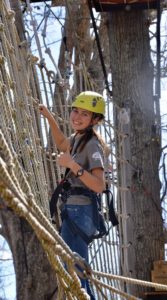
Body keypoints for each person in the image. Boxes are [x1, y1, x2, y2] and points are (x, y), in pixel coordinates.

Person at [39, 91, 107, 299]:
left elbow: (99, 185)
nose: (77, 117)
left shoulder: (92, 145)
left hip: (81, 210)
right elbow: (62, 144)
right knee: (72, 271)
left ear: (95, 120)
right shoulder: (78, 139)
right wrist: (50, 118)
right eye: (75, 111)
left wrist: (73, 166)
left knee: (76, 273)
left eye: (84, 114)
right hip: (73, 210)